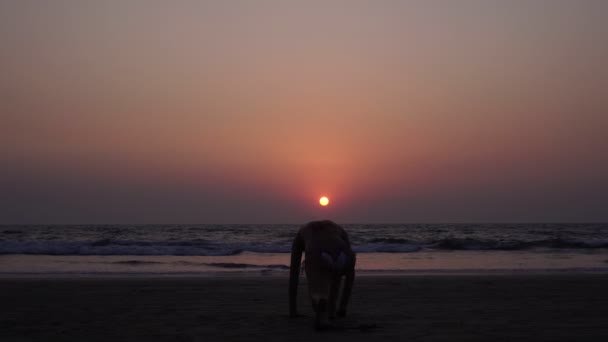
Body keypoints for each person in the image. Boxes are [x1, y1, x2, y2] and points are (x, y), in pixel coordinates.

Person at [289, 220, 356, 330]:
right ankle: (338, 309)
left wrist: (292, 310)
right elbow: (348, 251)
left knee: (317, 287)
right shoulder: (337, 227)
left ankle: (322, 312)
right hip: (341, 249)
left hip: (316, 251)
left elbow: (294, 273)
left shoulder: (302, 231)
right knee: (340, 273)